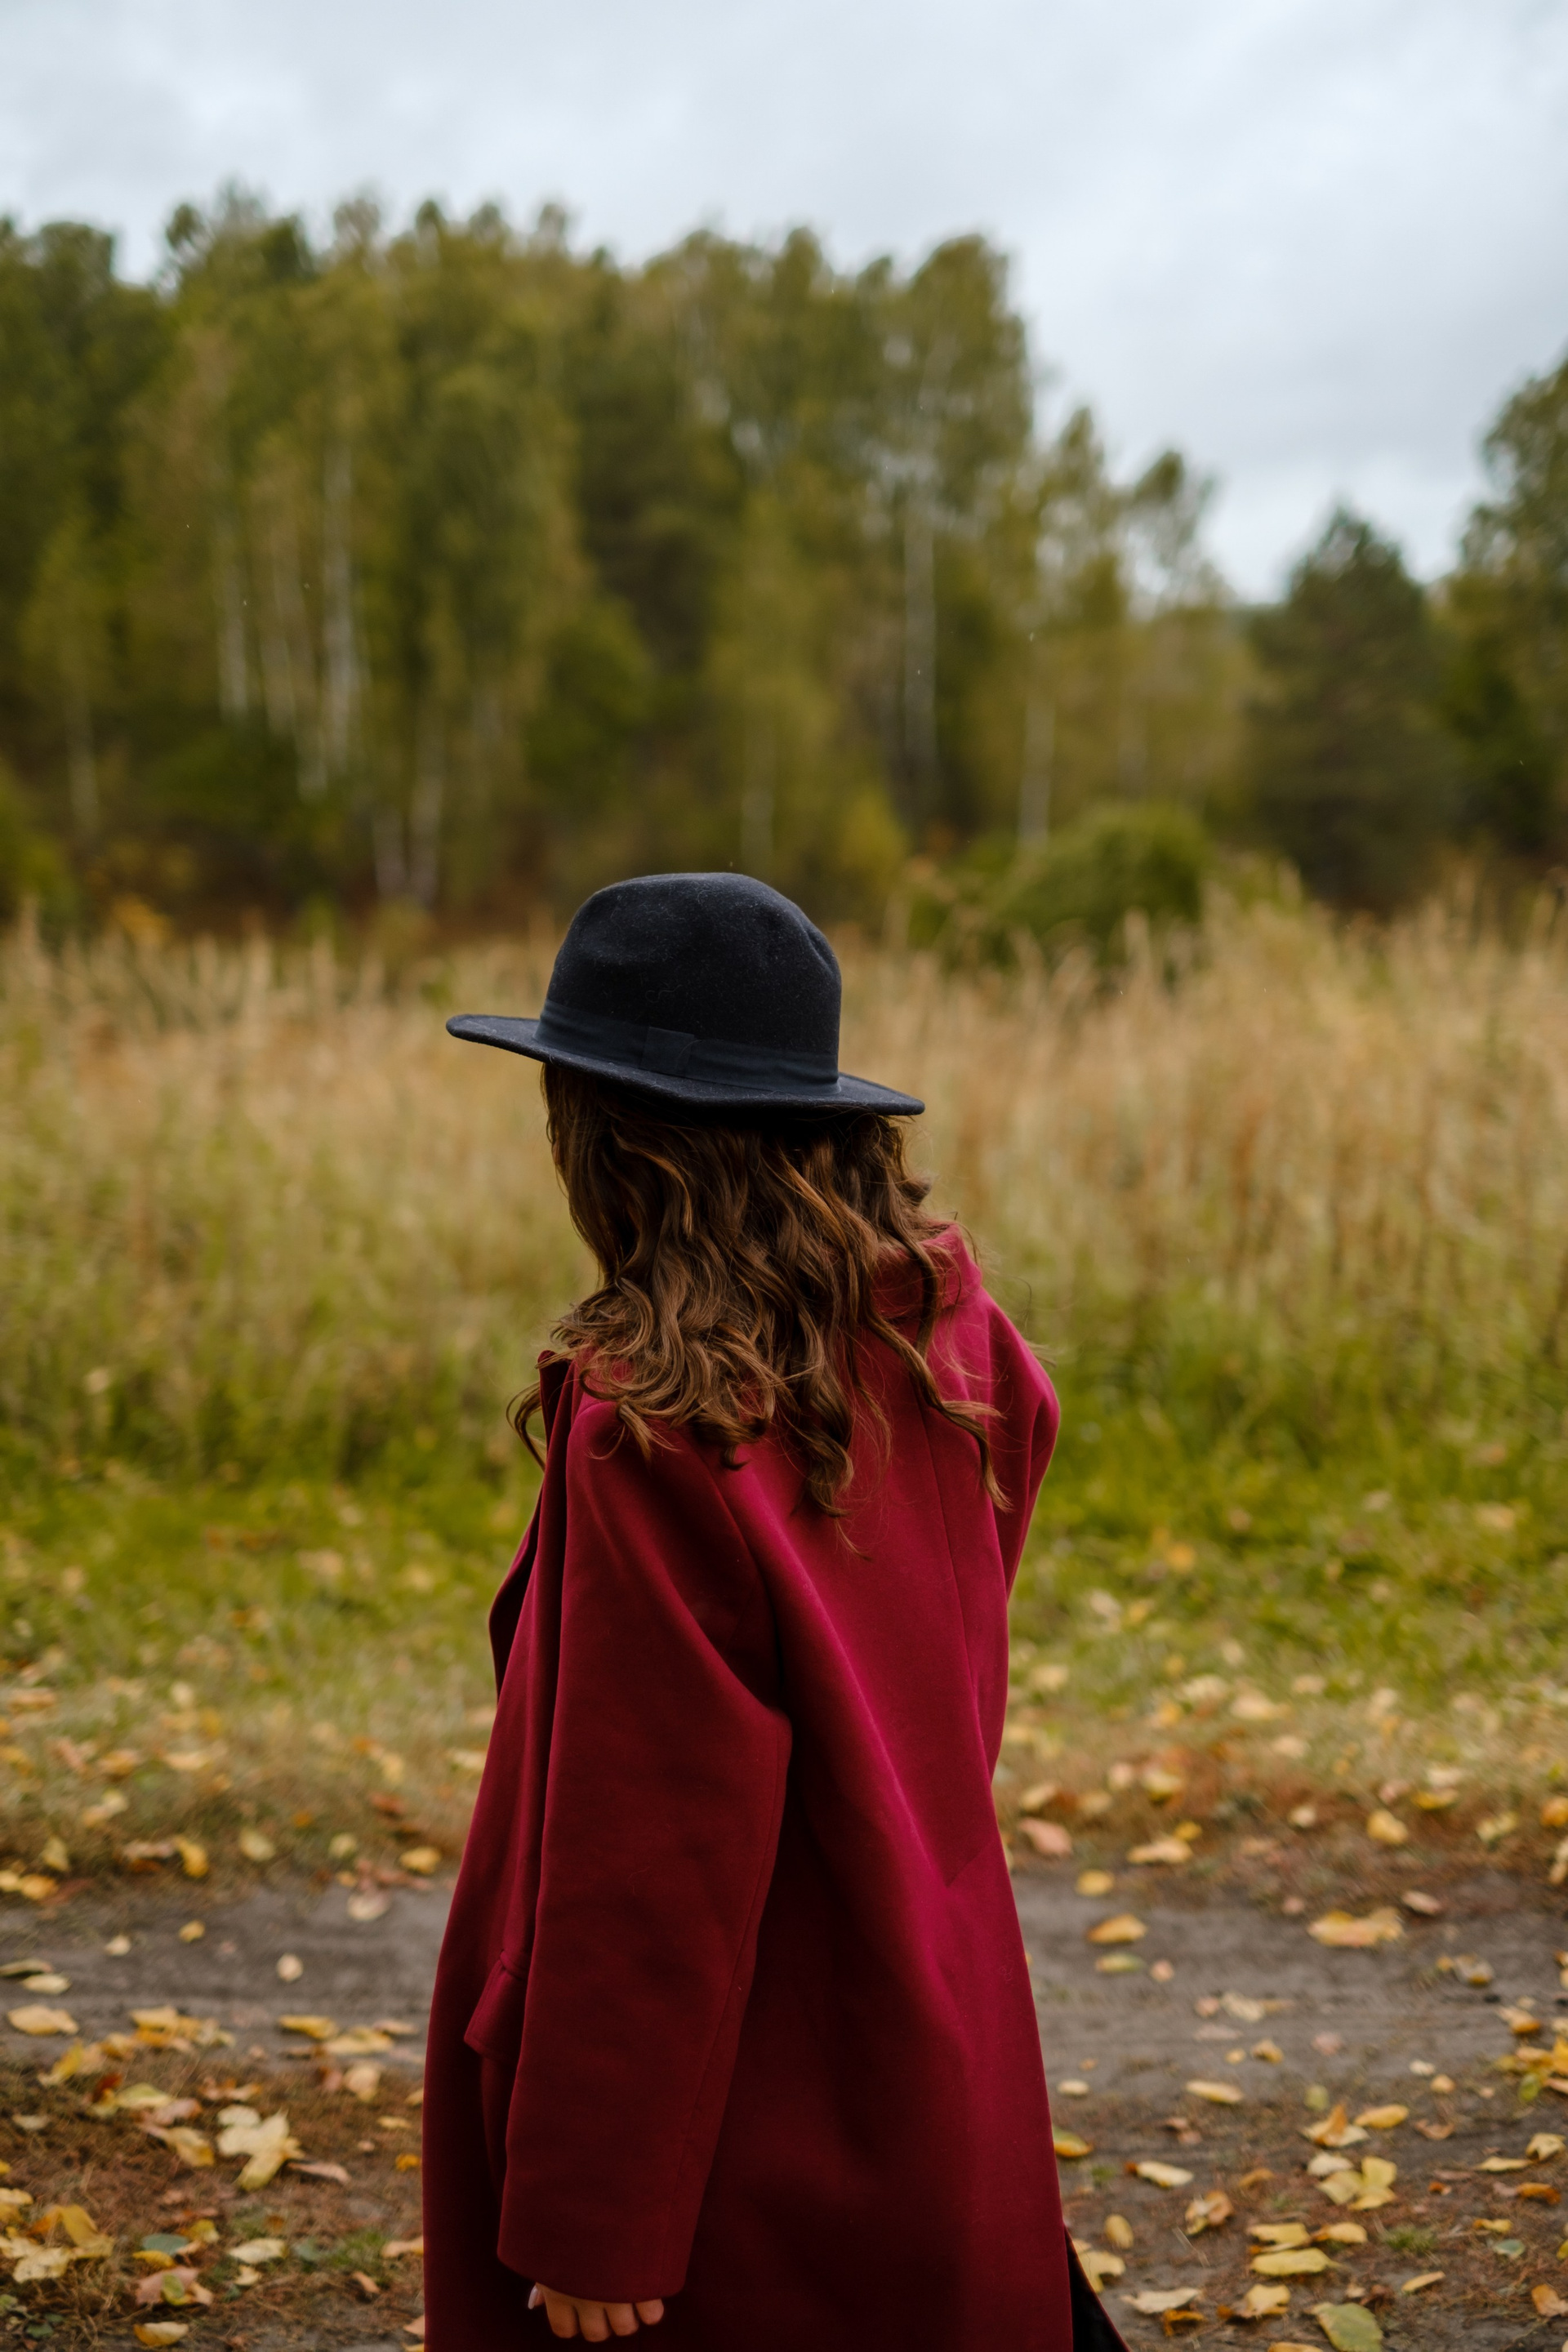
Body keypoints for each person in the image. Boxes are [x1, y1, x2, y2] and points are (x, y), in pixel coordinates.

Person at [421, 873, 1126, 2350]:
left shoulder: (658, 1431)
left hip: (737, 2139)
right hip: (933, 2036)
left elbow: (649, 1857)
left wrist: (594, 2209)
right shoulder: (960, 1353)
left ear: (611, 1141)